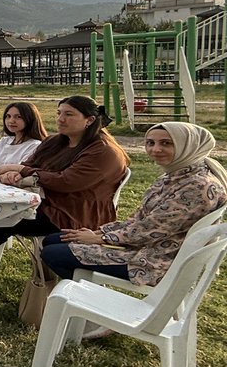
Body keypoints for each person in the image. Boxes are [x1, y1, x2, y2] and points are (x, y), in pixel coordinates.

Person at [0, 96, 130, 281]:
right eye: (59, 113)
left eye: (69, 114)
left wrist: (22, 171)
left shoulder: (104, 152)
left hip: (73, 214)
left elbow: (67, 181)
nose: (60, 119)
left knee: (10, 214)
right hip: (42, 201)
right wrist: (14, 173)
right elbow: (30, 164)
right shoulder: (57, 141)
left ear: (90, 120)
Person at [41, 122, 226, 292]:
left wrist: (100, 238)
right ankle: (89, 295)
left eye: (166, 143)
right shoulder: (175, 176)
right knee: (53, 240)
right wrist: (99, 232)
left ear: (188, 146)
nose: (155, 149)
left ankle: (94, 302)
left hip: (156, 261)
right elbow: (140, 219)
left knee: (53, 253)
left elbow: (151, 230)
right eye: (150, 143)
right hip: (145, 247)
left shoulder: (197, 186)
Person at [0, 102, 46, 178]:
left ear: (30, 119)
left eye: (18, 117)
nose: (11, 121)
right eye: (8, 116)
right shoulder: (4, 141)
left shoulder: (35, 146)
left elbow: (19, 174)